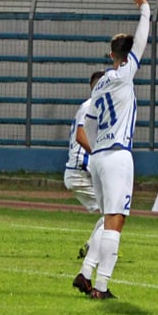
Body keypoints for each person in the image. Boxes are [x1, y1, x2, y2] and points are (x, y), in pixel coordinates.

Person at [72, 0, 150, 300]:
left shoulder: (100, 84)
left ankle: (87, 274)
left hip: (98, 157)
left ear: (110, 55)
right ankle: (102, 287)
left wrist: (97, 146)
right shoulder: (124, 75)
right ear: (127, 56)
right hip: (118, 155)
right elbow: (141, 42)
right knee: (116, 221)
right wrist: (144, 10)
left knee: (107, 219)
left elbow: (88, 124)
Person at [65, 70, 106, 259]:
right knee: (112, 214)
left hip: (82, 171)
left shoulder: (96, 106)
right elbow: (80, 135)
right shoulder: (91, 106)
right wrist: (97, 154)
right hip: (79, 172)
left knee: (111, 213)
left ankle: (93, 247)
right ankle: (94, 249)